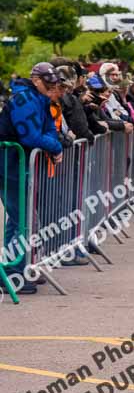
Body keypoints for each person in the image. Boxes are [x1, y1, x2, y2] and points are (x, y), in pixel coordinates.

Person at [0, 63, 65, 293]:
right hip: (9, 163)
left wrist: (52, 144)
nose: (52, 87)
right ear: (36, 79)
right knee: (22, 219)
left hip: (18, 163)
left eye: (53, 83)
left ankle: (13, 268)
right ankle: (12, 273)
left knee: (18, 219)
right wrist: (55, 148)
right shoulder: (24, 99)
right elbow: (31, 136)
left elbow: (49, 130)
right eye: (48, 82)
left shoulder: (39, 98)